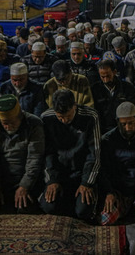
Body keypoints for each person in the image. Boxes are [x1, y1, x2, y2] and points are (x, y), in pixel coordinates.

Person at [40, 90, 101, 220]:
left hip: (81, 173)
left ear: (75, 106)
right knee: (49, 207)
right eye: (60, 117)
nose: (64, 120)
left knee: (83, 211)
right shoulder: (46, 117)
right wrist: (52, 180)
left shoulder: (90, 116)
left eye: (68, 116)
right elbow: (47, 154)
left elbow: (94, 154)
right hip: (60, 174)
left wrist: (87, 183)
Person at [0, 95, 45, 214]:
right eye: (4, 123)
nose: (8, 126)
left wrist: (24, 186)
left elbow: (34, 159)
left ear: (19, 116)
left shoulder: (34, 124)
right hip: (3, 180)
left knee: (25, 207)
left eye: (11, 122)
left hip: (27, 179)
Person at [91, 59, 135, 134]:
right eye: (102, 77)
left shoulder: (127, 88)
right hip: (103, 130)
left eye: (108, 76)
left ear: (115, 72)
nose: (106, 80)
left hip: (124, 129)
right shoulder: (95, 89)